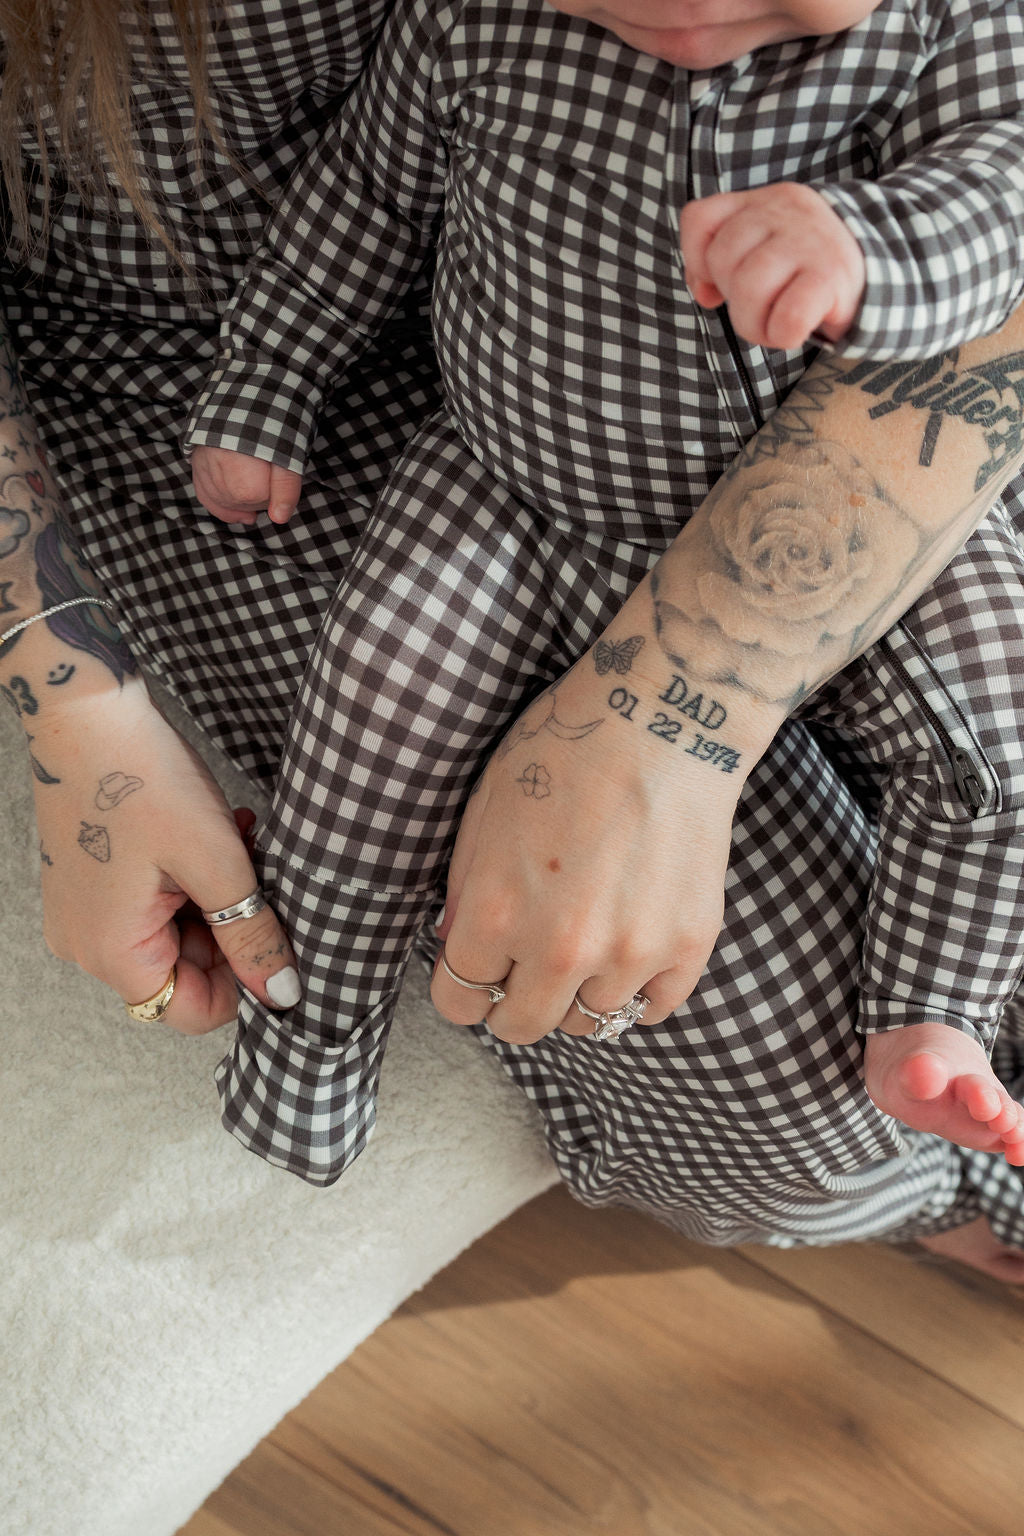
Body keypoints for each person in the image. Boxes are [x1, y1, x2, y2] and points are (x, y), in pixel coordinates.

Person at [4, 0, 1024, 1281]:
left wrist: (875, 246)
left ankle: (934, 1014)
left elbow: (1004, 189)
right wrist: (75, 694)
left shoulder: (949, 32)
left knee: (995, 738)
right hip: (486, 471)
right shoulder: (469, 30)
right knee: (377, 750)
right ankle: (310, 1049)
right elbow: (362, 199)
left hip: (841, 434)